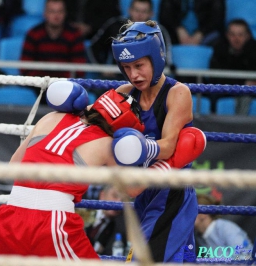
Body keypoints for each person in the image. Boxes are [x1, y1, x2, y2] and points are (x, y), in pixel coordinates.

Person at [45, 20, 207, 262]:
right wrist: (74, 106)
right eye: (127, 67)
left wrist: (140, 148)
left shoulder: (177, 93)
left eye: (139, 65)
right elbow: (89, 121)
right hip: (141, 194)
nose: (134, 74)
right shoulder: (124, 94)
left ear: (156, 57)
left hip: (172, 194)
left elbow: (170, 146)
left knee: (141, 260)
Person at [0, 80, 147, 260]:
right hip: (52, 222)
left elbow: (14, 165)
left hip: (13, 214)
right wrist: (165, 160)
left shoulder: (51, 117)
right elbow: (133, 189)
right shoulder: (107, 144)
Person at [20, 0, 86, 90]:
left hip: (66, 86)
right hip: (38, 86)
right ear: (45, 14)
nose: (56, 16)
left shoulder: (74, 35)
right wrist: (43, 81)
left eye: (60, 11)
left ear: (65, 13)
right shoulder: (34, 34)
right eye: (52, 11)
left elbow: (79, 69)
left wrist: (60, 81)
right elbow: (25, 66)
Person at [209, 19, 256, 115]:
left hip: (249, 90)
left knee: (246, 93)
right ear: (227, 35)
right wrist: (242, 83)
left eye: (240, 35)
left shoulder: (254, 49)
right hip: (224, 88)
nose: (236, 39)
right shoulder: (219, 48)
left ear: (247, 36)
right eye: (232, 35)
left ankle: (241, 128)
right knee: (211, 93)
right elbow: (214, 77)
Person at [195, 194, 253, 260]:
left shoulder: (226, 228)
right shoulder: (199, 236)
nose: (186, 216)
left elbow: (246, 256)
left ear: (203, 214)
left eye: (190, 212)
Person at [159, 0, 225, 46]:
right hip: (175, 34)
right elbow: (165, 15)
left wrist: (201, 33)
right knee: (160, 36)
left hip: (206, 34)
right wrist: (178, 28)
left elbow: (218, 17)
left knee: (219, 38)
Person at [85, 185, 128, 256]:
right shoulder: (85, 212)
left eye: (123, 200)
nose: (119, 202)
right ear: (102, 195)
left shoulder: (121, 224)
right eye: (115, 196)